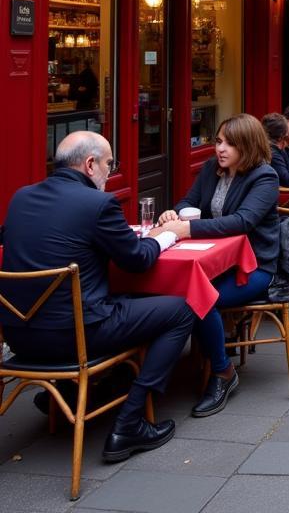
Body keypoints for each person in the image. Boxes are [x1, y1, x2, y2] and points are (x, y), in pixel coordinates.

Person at [0, 131, 193, 462]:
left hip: (19, 337)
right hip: (77, 337)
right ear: (90, 164)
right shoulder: (98, 204)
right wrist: (164, 237)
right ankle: (129, 422)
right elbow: (137, 260)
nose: (109, 170)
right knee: (180, 310)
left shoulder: (21, 197)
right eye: (109, 163)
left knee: (116, 299)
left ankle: (71, 392)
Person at [157, 114, 280, 418]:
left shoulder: (264, 177)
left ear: (247, 146)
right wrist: (174, 215)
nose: (220, 149)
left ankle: (223, 373)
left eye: (229, 143)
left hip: (253, 268)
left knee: (200, 299)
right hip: (213, 261)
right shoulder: (213, 170)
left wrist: (187, 230)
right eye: (219, 141)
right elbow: (188, 201)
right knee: (165, 291)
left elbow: (243, 222)